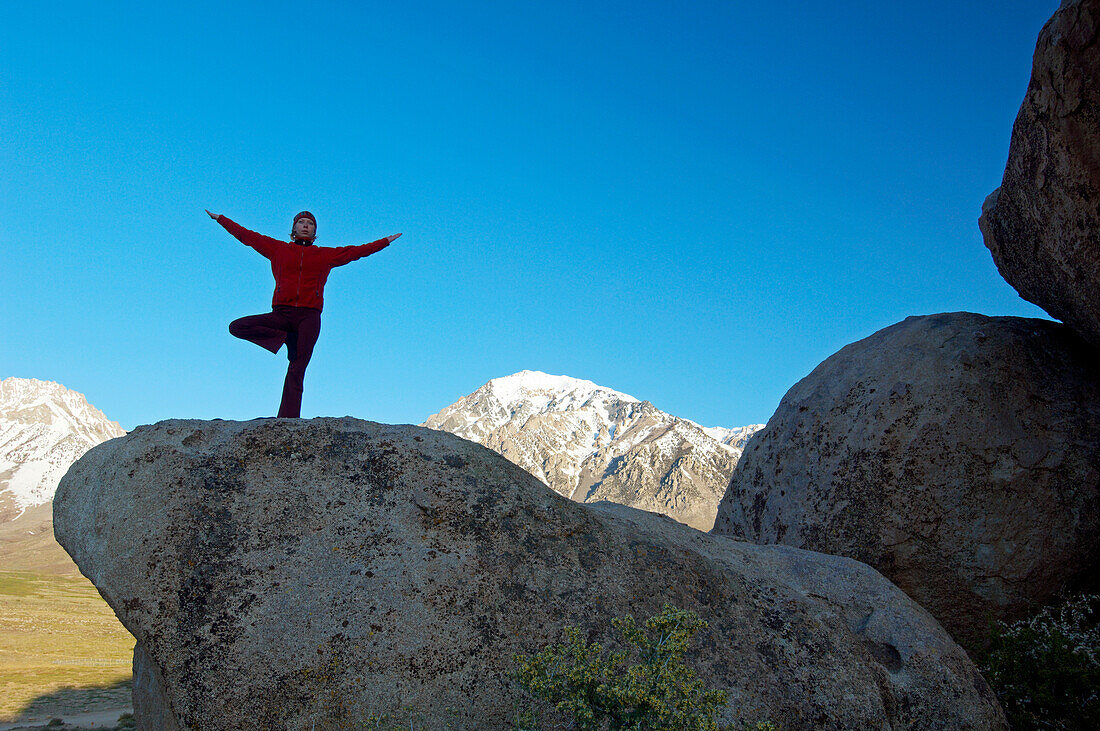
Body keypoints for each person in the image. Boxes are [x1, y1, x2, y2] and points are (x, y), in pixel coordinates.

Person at [206, 209, 401, 418]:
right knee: (237, 327)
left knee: (297, 369)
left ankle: (287, 420)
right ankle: (284, 337)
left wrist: (385, 241)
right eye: (302, 222)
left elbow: (356, 252)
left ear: (315, 230)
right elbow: (248, 236)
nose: (306, 225)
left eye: (310, 223)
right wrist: (221, 220)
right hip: (282, 314)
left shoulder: (325, 255)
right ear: (294, 228)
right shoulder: (277, 249)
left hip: (309, 318)